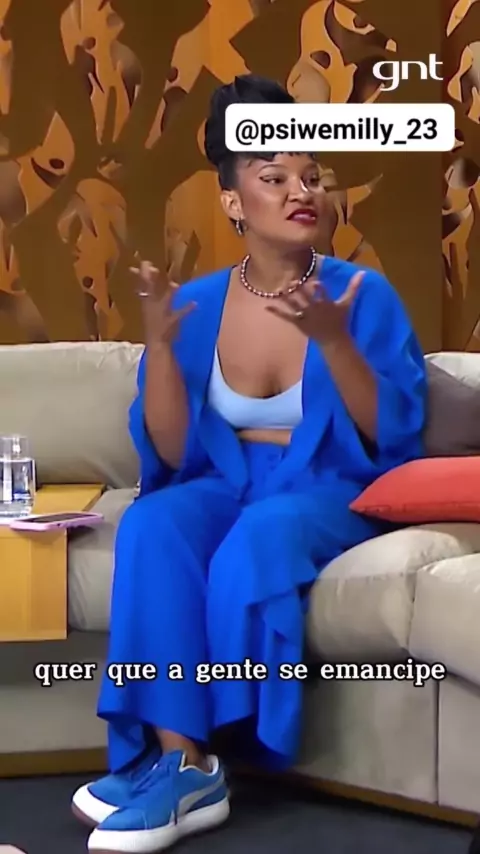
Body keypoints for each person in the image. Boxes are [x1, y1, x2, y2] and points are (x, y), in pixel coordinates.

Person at [72, 74, 427, 854]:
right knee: (154, 523)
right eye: (275, 177)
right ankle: (182, 762)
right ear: (232, 200)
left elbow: (393, 436)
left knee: (259, 537)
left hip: (326, 488)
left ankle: (212, 754)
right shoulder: (199, 303)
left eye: (312, 177)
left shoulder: (362, 295)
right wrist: (159, 348)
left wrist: (334, 341)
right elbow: (172, 454)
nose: (302, 192)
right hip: (226, 482)